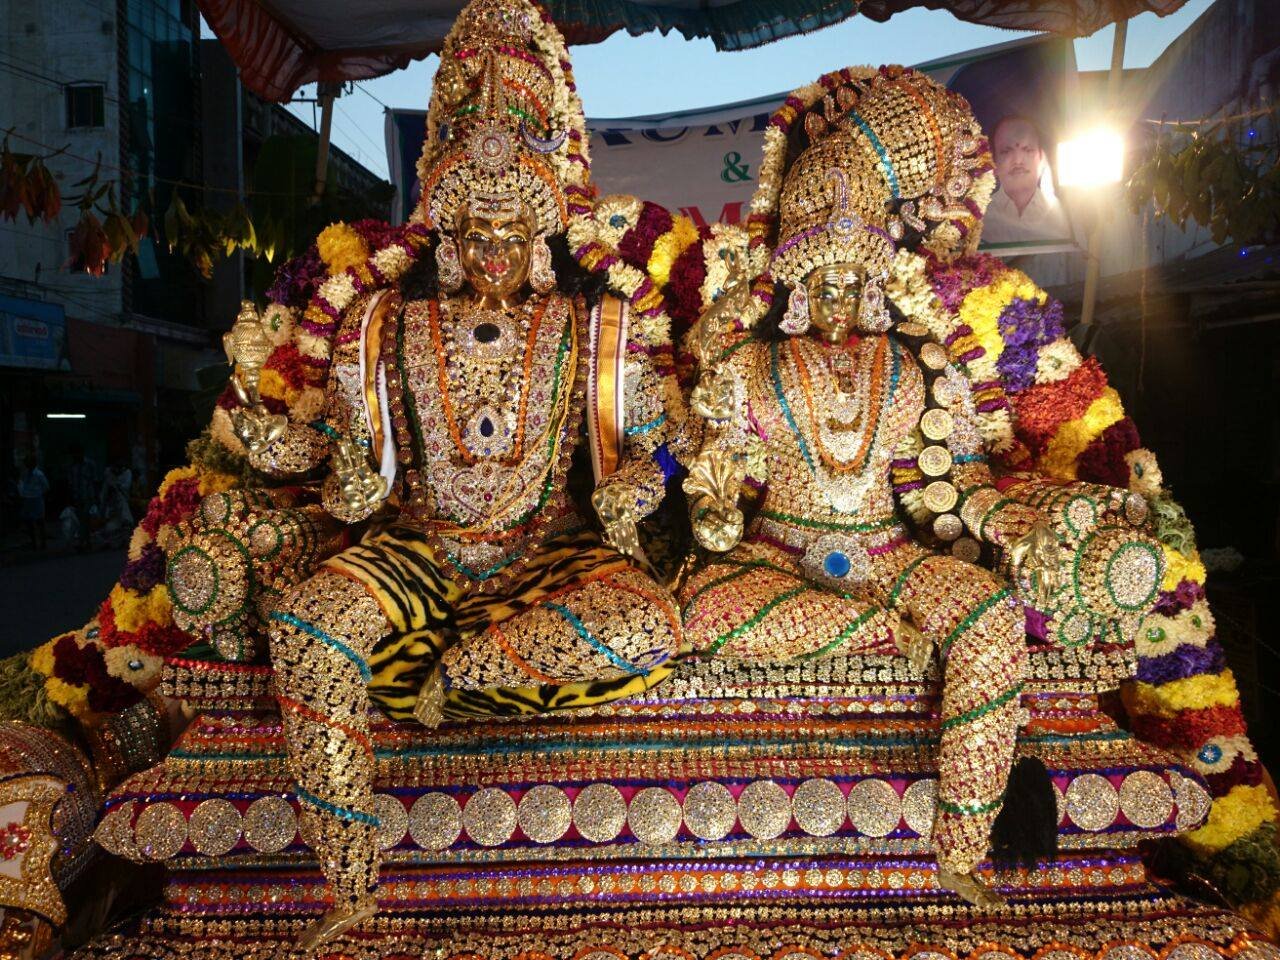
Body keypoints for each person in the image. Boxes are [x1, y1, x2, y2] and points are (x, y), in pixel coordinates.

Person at [166, 0, 684, 947]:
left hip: (548, 552)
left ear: (542, 232)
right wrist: (329, 473)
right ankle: (352, 891)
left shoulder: (594, 326)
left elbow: (659, 443)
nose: (489, 251)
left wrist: (633, 489)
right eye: (471, 230)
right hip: (416, 547)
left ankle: (457, 675)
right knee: (311, 630)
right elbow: (341, 453)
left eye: (507, 230)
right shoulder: (380, 323)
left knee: (649, 621)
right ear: (442, 229)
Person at [982, 115, 1071, 245]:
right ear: (993, 162)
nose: (1018, 160)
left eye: (1028, 150)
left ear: (1041, 157)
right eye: (1006, 151)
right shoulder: (980, 221)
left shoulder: (1065, 217)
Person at [66, 444, 99, 551]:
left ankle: (85, 541)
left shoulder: (89, 464)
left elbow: (94, 481)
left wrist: (95, 497)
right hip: (77, 496)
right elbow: (71, 483)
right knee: (81, 520)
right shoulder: (72, 466)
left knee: (86, 519)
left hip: (87, 496)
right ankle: (85, 541)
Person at [18, 454, 49, 551]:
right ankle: (34, 543)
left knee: (40, 521)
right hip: (28, 499)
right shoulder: (25, 474)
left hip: (36, 498)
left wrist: (38, 494)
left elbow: (46, 486)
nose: (26, 464)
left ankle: (43, 543)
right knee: (29, 522)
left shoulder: (39, 474)